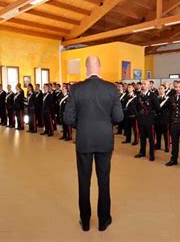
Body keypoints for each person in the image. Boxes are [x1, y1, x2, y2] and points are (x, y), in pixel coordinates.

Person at [64, 56, 123, 232]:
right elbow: (119, 117)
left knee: (84, 181)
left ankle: (86, 221)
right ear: (100, 67)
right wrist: (105, 124)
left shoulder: (76, 89)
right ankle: (104, 221)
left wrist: (82, 126)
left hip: (84, 140)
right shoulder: (111, 88)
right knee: (103, 181)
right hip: (105, 139)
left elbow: (68, 118)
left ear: (86, 68)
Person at [134, 80, 160, 161]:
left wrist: (151, 114)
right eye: (142, 84)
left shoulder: (152, 95)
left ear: (149, 86)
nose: (143, 85)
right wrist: (138, 114)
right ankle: (142, 152)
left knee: (151, 138)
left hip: (149, 120)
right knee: (142, 137)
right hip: (141, 119)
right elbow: (135, 106)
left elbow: (157, 107)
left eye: (145, 84)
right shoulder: (139, 95)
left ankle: (152, 154)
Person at [155, 85, 170, 153]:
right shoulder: (156, 98)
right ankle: (158, 145)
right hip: (157, 118)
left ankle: (167, 146)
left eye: (161, 89)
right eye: (159, 89)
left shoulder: (168, 98)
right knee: (157, 133)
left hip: (165, 118)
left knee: (165, 133)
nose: (160, 90)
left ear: (165, 90)